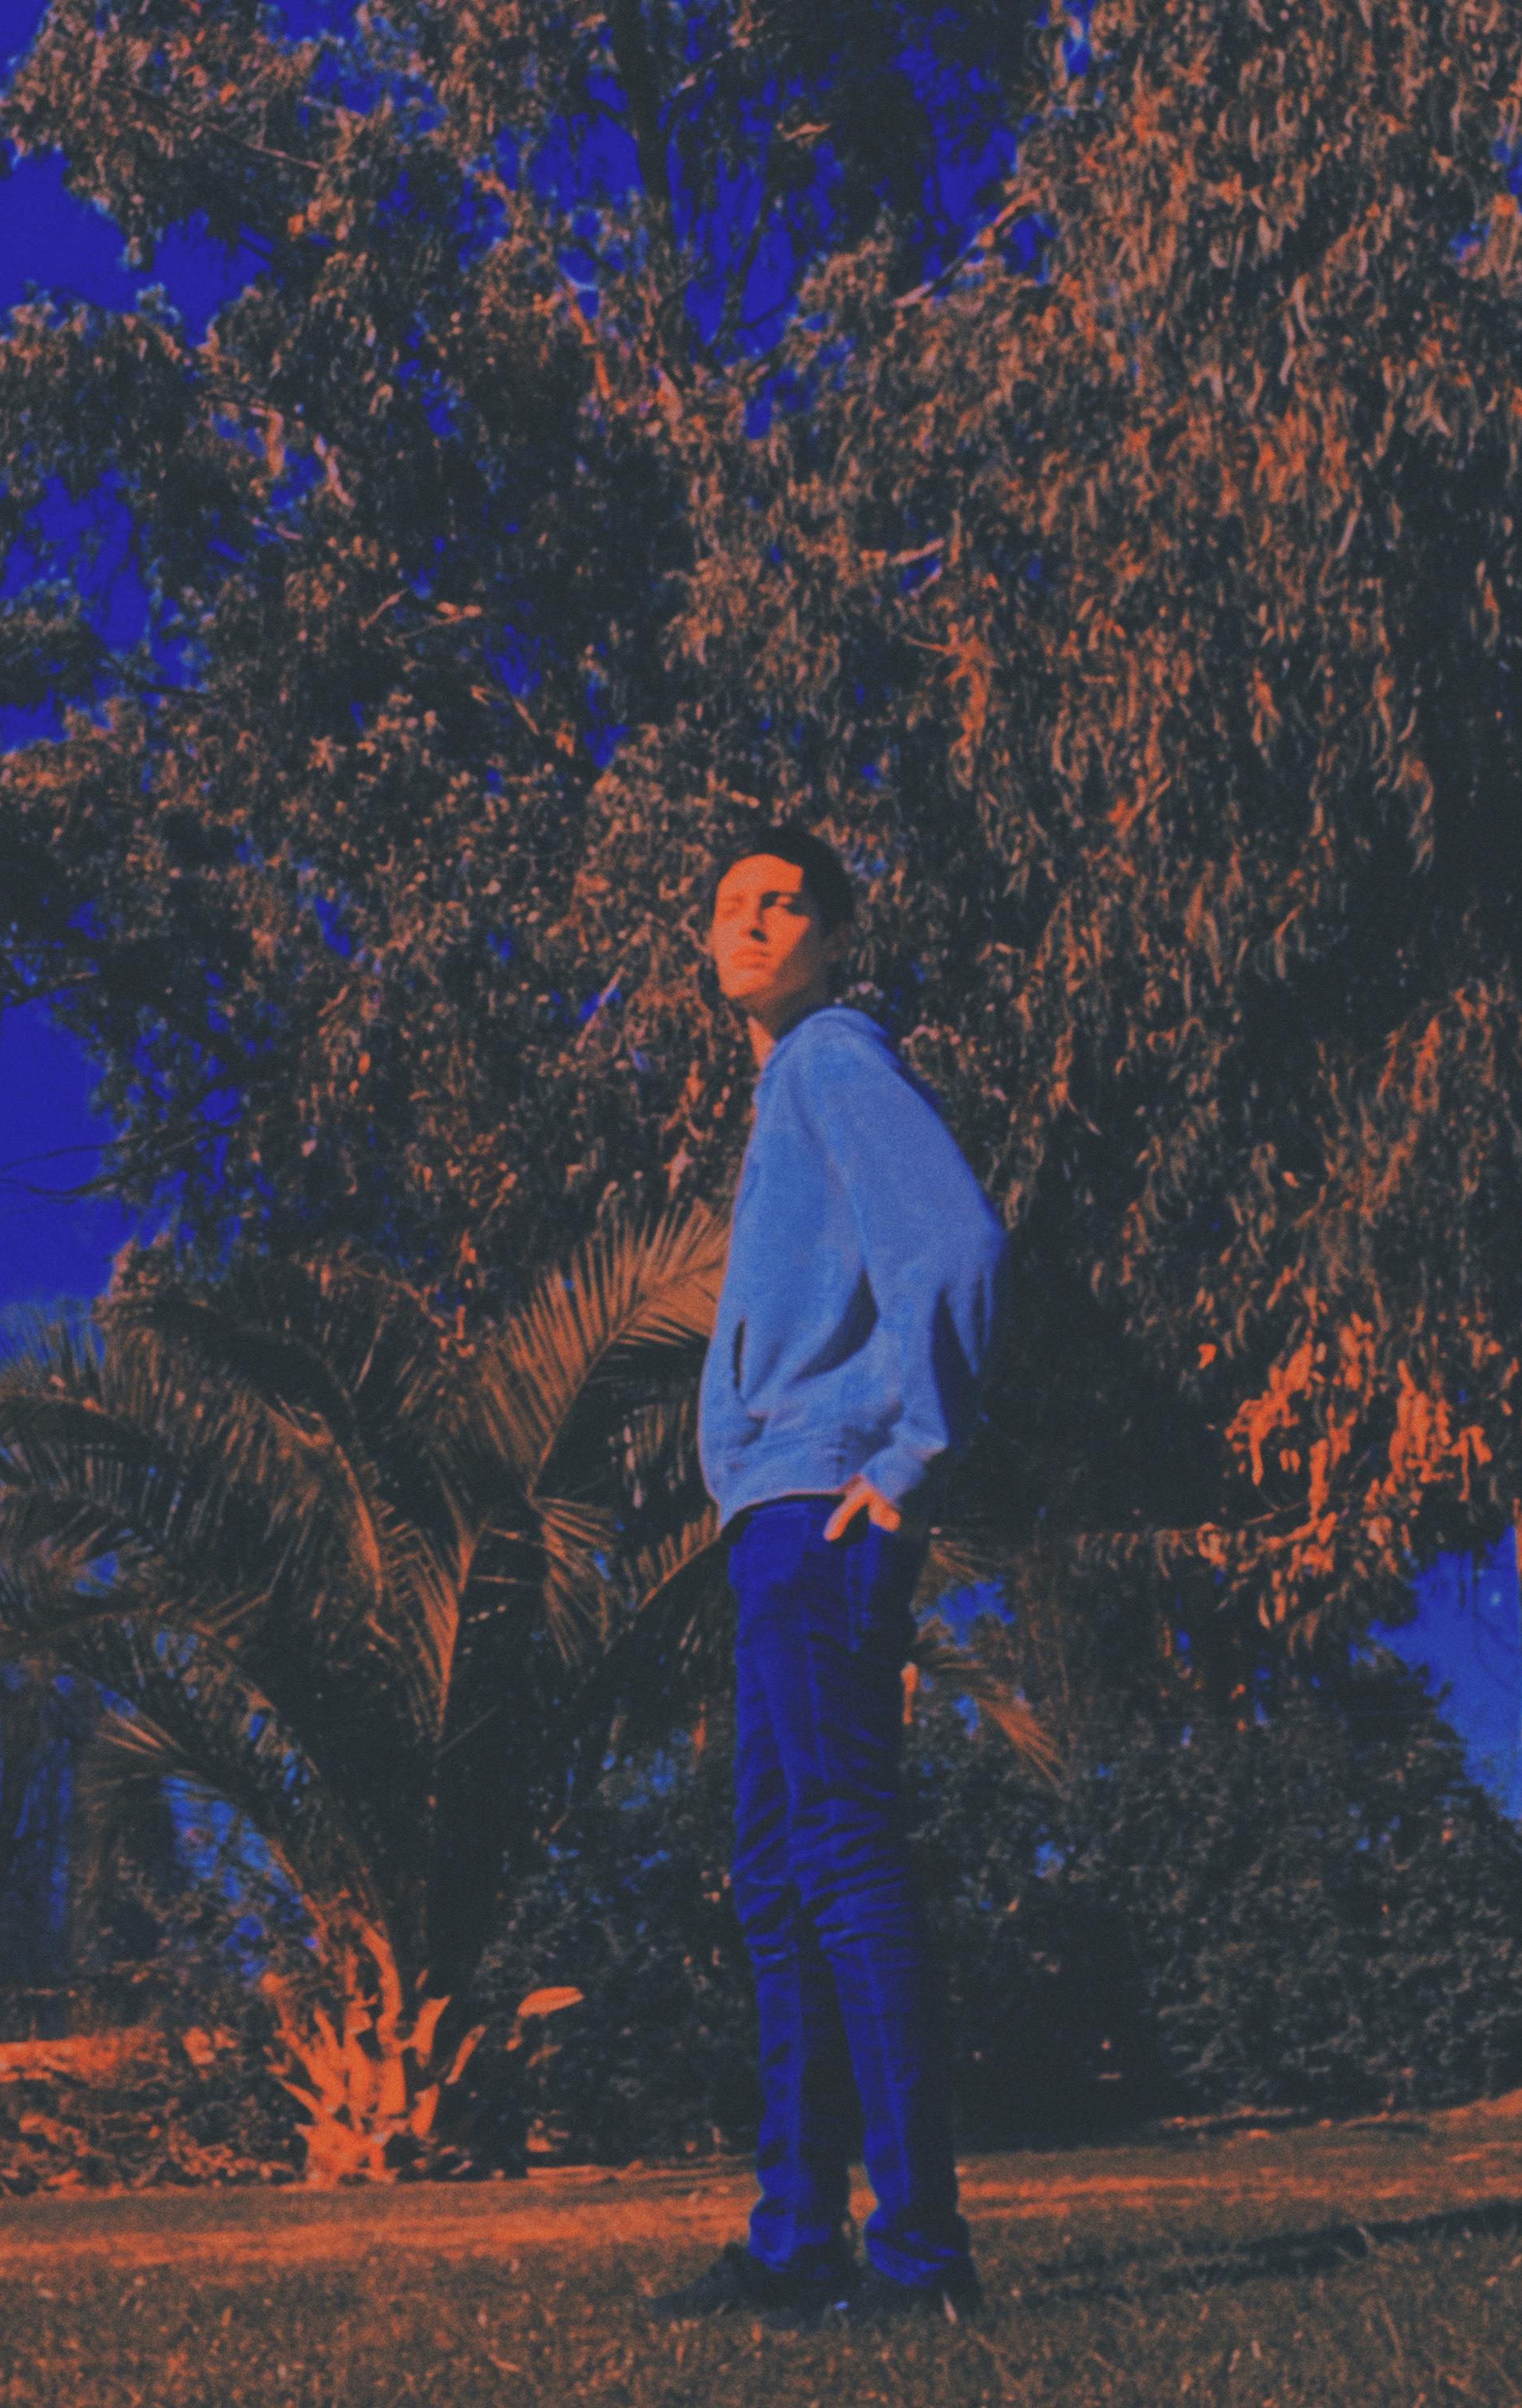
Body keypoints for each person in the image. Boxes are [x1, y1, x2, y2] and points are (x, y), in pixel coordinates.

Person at [645, 821, 1007, 2333]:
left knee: (842, 1868)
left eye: (784, 904)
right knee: (782, 1881)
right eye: (730, 905)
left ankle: (918, 2254)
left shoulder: (835, 1059)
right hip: (772, 1516)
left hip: (822, 1509)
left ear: (837, 938)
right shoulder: (785, 1086)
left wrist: (910, 1454)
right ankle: (796, 2243)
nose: (751, 924)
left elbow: (960, 1243)